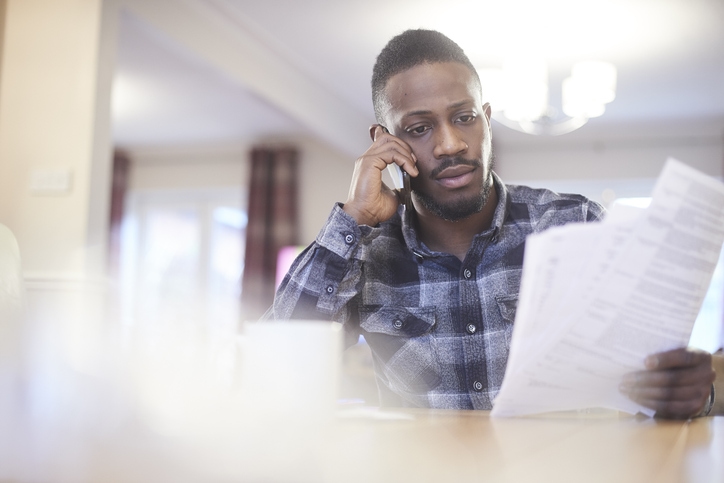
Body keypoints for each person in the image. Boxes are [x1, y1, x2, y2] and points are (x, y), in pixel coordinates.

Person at [271, 29, 720, 418]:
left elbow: (649, 376)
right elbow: (278, 367)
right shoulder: (364, 254)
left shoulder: (576, 223)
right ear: (384, 141)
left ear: (486, 120)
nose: (450, 144)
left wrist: (687, 391)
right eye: (419, 128)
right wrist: (354, 220)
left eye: (464, 118)